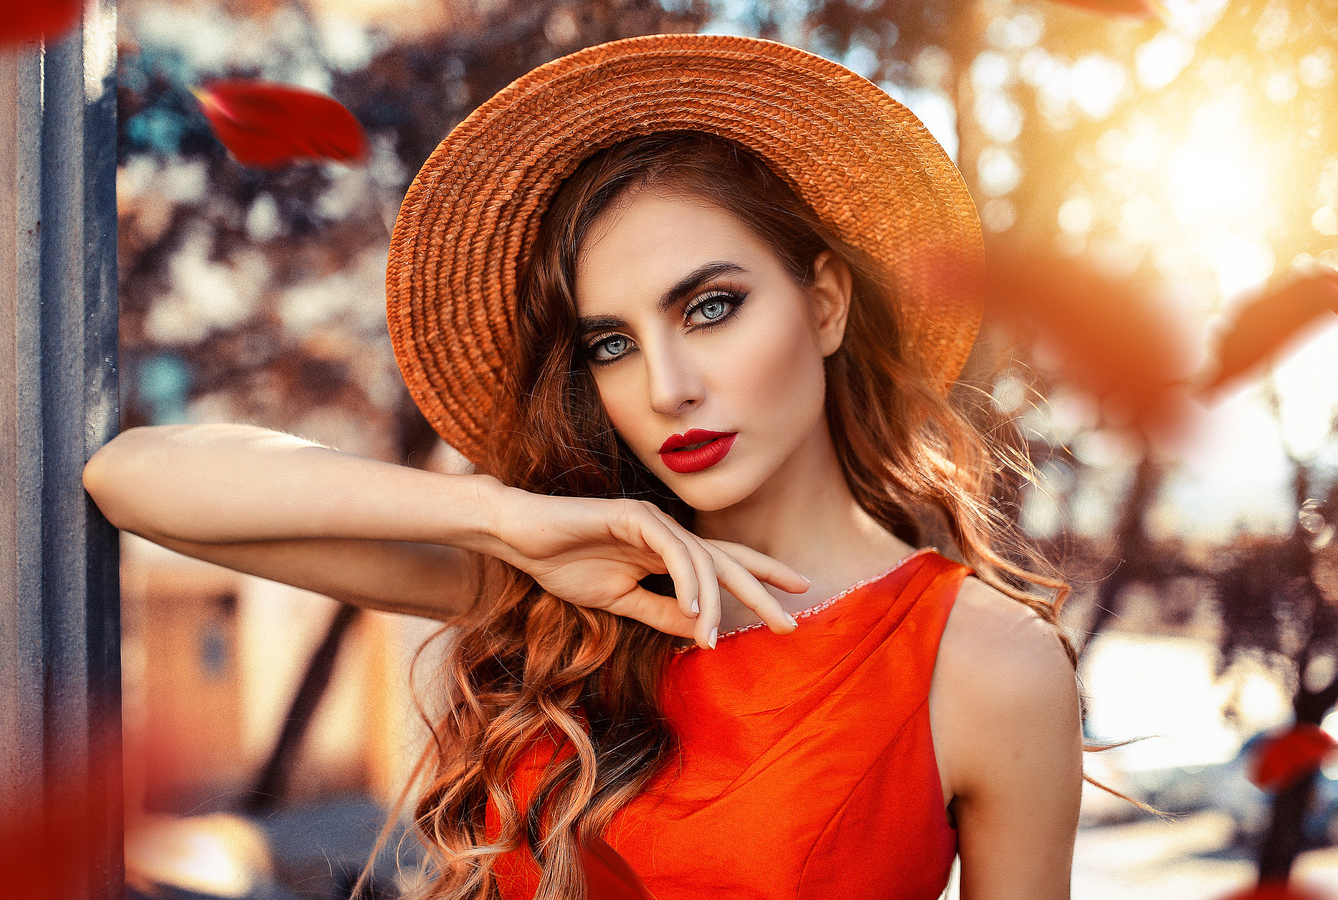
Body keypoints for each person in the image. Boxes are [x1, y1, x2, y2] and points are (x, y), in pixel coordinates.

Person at [84, 33, 1083, 900]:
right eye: (612, 343)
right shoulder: (556, 584)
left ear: (824, 304)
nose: (668, 386)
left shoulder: (986, 663)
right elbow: (134, 476)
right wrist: (502, 521)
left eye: (710, 307)